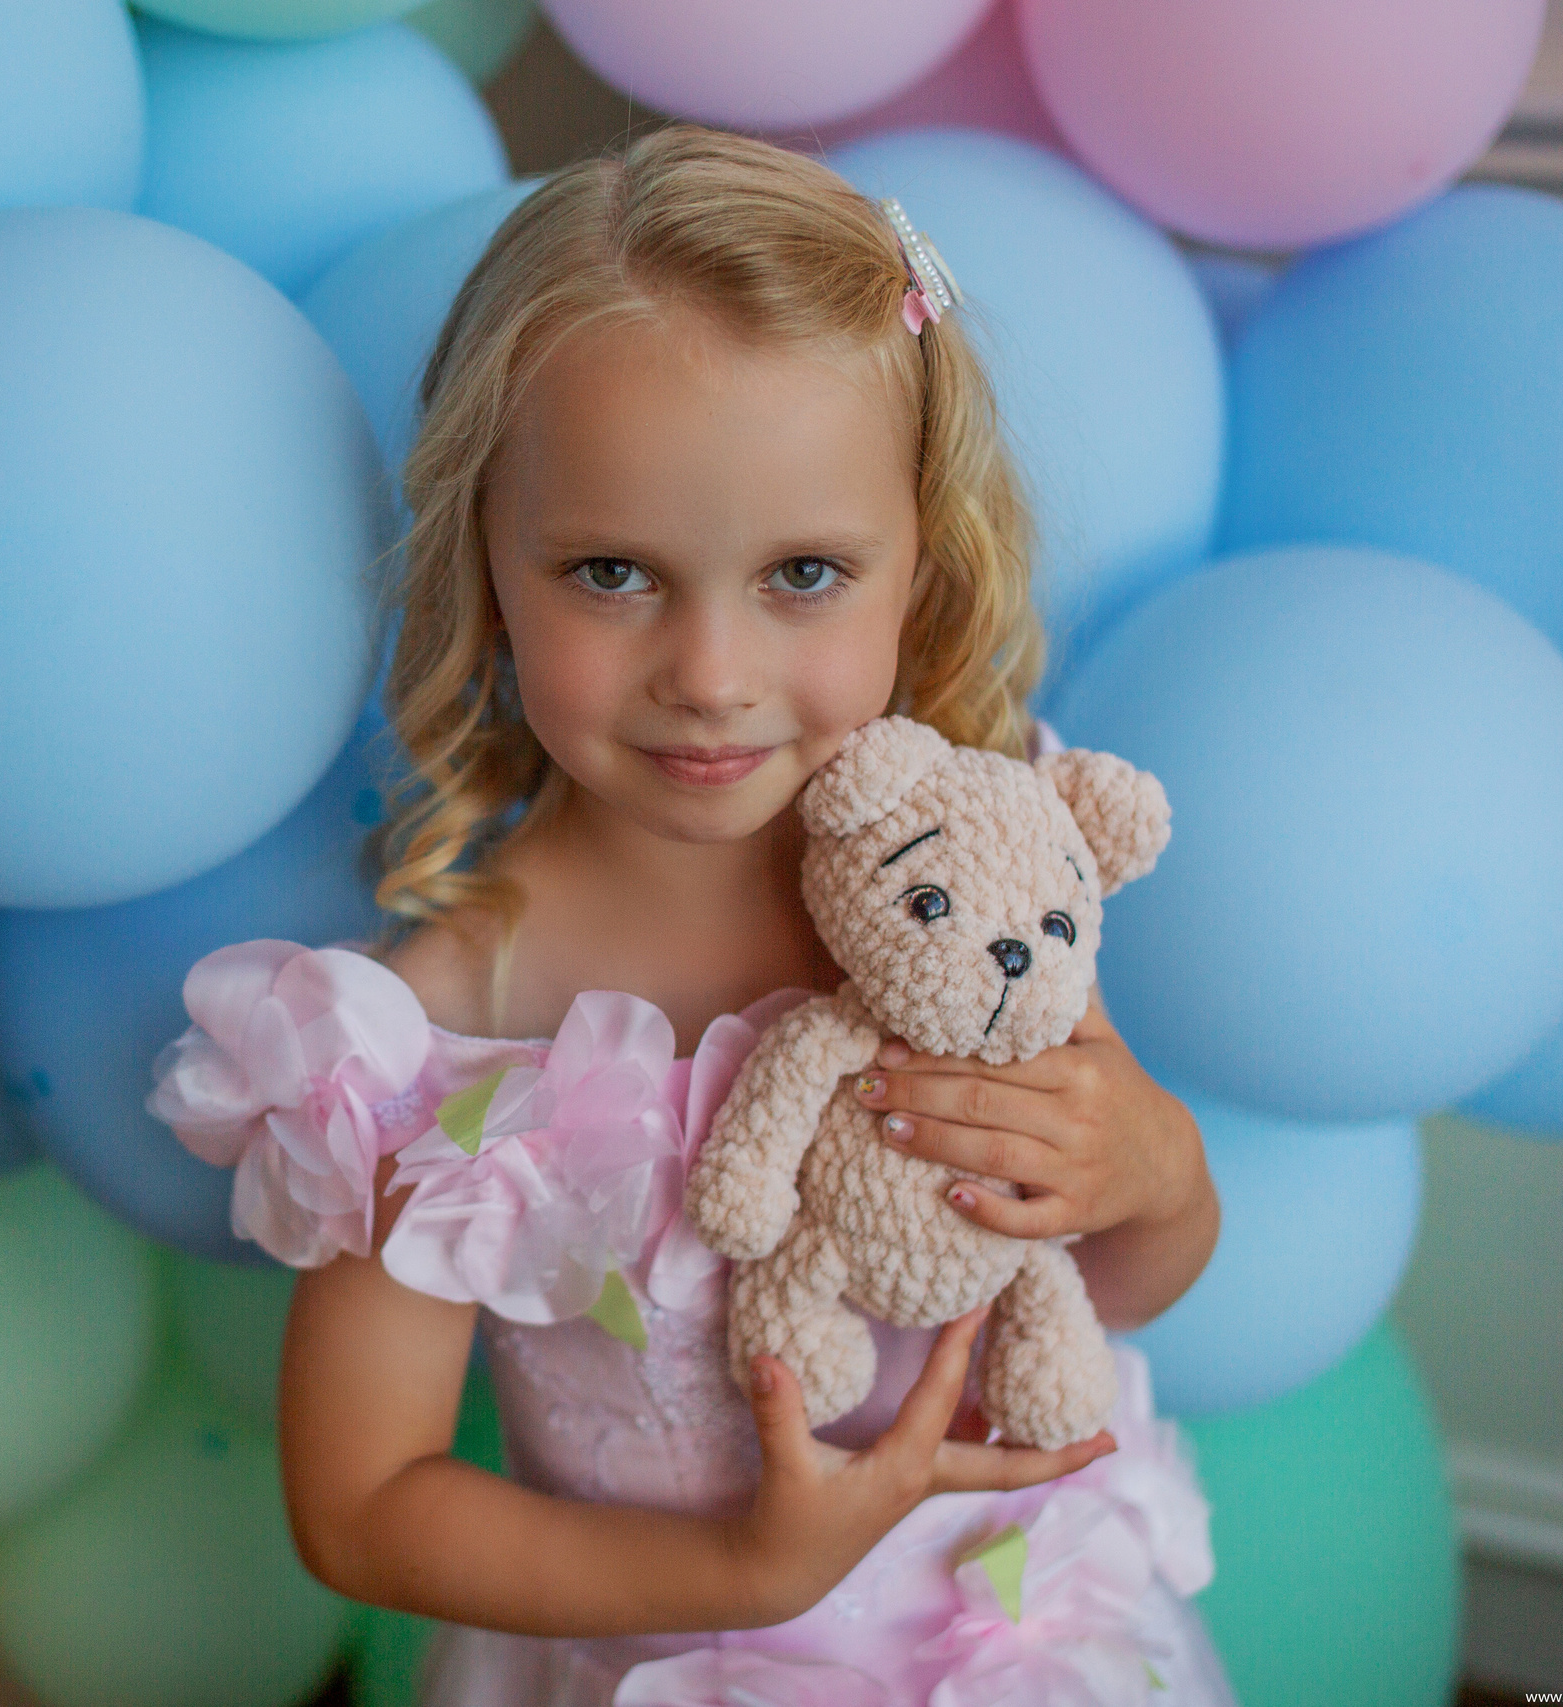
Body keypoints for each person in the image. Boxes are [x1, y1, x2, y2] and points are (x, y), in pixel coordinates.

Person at [152, 127, 1228, 1705]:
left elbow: (1103, 1280)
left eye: (803, 571)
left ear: (919, 564)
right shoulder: (435, 1021)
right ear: (489, 566)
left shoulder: (998, 854)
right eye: (610, 572)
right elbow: (361, 1504)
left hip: (1019, 1646)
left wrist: (1153, 1166)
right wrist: (740, 1573)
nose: (710, 672)